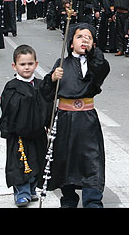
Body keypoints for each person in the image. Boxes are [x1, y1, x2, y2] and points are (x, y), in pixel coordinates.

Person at [39, 22, 110, 208]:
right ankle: (68, 200)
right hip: (64, 120)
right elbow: (47, 93)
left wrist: (93, 52)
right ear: (71, 43)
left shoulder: (95, 63)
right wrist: (52, 78)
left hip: (87, 122)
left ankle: (93, 201)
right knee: (65, 161)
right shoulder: (61, 63)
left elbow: (102, 68)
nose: (84, 40)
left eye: (89, 37)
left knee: (91, 162)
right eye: (79, 37)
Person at [0, 45, 51, 207]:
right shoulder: (12, 86)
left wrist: (48, 122)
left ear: (36, 64)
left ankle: (32, 189)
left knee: (37, 161)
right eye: (23, 64)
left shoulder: (41, 85)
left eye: (30, 63)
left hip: (37, 132)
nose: (27, 67)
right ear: (15, 66)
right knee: (20, 163)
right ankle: (22, 192)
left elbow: (48, 103)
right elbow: (7, 108)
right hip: (18, 133)